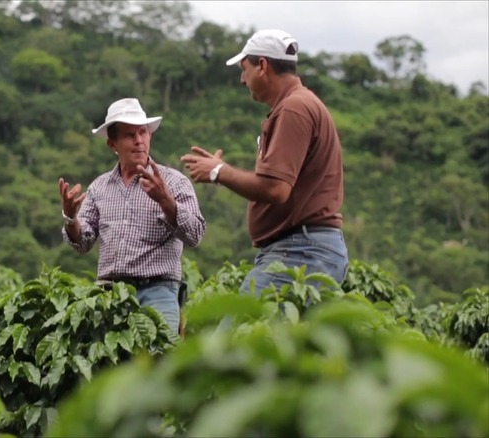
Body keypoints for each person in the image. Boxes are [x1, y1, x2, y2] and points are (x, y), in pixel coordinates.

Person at [181, 29, 349, 297]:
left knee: (240, 333)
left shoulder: (295, 108)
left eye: (243, 69)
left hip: (300, 252)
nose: (241, 79)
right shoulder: (297, 105)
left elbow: (276, 189)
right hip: (301, 249)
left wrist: (218, 172)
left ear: (262, 66)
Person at [59, 97, 206, 334]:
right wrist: (70, 218)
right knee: (108, 367)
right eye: (129, 135)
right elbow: (83, 242)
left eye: (143, 133)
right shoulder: (99, 187)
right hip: (109, 294)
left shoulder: (174, 182)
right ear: (112, 144)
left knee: (161, 358)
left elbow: (196, 234)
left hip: (158, 290)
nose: (139, 141)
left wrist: (165, 200)